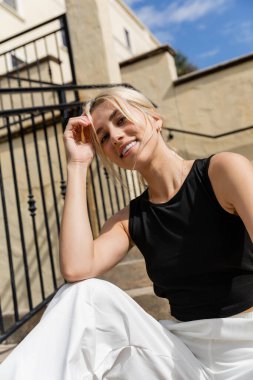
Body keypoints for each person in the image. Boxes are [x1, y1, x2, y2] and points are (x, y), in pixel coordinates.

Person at [0, 86, 253, 380]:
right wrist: (78, 164)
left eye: (121, 120)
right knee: (85, 294)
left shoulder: (222, 170)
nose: (115, 136)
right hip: (184, 358)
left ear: (155, 118)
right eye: (104, 137)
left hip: (246, 347)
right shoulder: (129, 220)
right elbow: (76, 268)